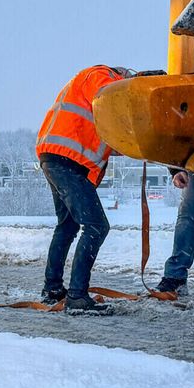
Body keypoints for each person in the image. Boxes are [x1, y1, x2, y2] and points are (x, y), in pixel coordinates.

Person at [35, 65, 133, 313]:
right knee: (97, 226)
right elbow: (110, 96)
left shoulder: (92, 102)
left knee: (67, 226)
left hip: (58, 158)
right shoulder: (101, 74)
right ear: (123, 76)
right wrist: (136, 88)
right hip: (67, 160)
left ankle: (52, 288)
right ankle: (77, 296)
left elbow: (119, 142)